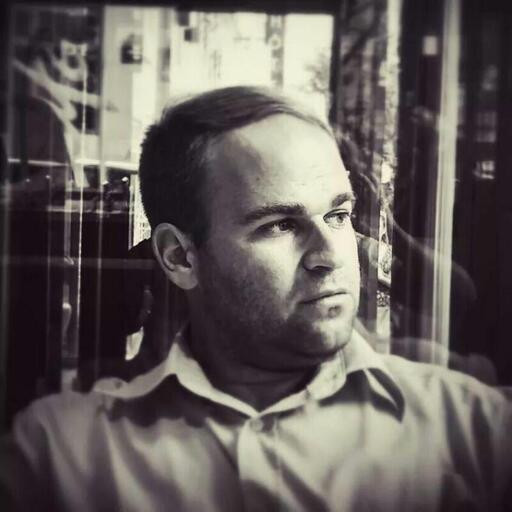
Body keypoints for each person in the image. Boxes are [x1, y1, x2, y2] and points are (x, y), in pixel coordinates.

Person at [1, 86, 511, 511]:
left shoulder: (471, 434)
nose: (330, 256)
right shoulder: (60, 458)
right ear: (179, 257)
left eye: (338, 215)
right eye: (280, 225)